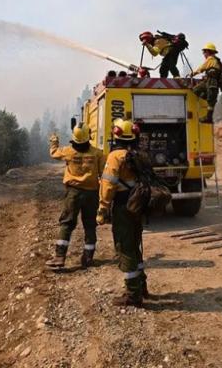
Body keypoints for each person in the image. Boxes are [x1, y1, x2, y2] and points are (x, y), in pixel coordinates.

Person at [97, 119, 150, 307]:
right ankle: (142, 285)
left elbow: (108, 184)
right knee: (135, 245)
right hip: (137, 205)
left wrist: (103, 208)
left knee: (124, 247)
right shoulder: (138, 154)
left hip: (123, 206)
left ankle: (133, 294)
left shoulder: (115, 156)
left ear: (116, 134)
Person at [45, 124, 105, 269]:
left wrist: (54, 141)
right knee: (90, 225)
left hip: (73, 192)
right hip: (92, 193)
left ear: (74, 138)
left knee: (67, 223)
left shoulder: (68, 151)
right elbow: (104, 174)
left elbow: (53, 153)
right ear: (88, 137)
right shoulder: (98, 153)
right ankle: (88, 257)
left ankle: (59, 257)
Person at [190, 42, 222, 123]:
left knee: (211, 100)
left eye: (204, 52)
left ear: (208, 52)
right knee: (196, 90)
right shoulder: (215, 61)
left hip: (212, 82)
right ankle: (209, 99)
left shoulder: (211, 59)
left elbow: (202, 68)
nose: (203, 54)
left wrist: (193, 73)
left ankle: (209, 118)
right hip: (208, 81)